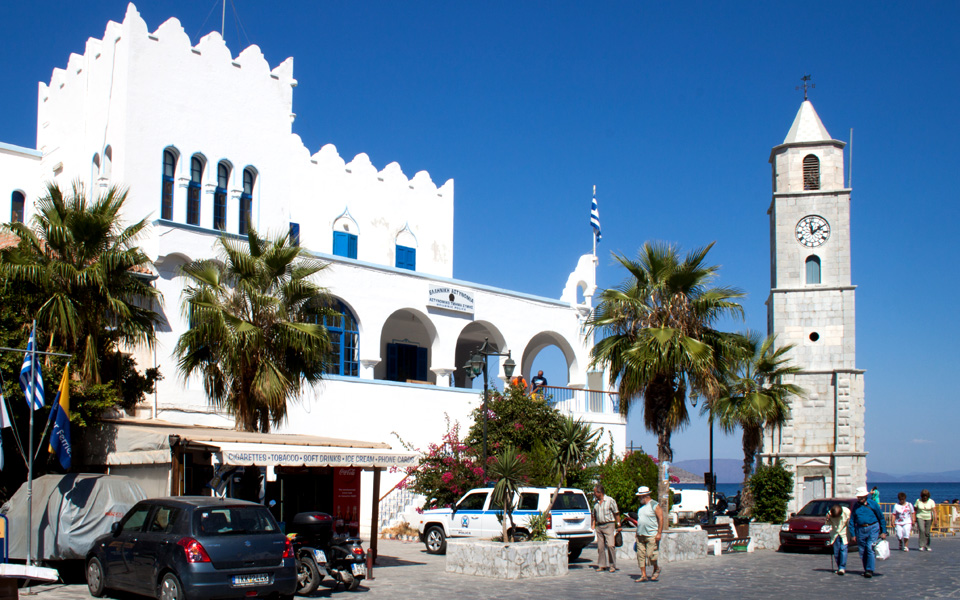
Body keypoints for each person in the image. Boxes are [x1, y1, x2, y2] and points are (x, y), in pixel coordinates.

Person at [848, 486, 887, 578]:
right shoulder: (856, 506)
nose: (860, 499)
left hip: (872, 527)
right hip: (860, 529)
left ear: (865, 496)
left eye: (861, 497)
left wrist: (883, 531)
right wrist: (852, 534)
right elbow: (852, 520)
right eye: (858, 497)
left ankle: (870, 569)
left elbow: (881, 517)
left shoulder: (873, 504)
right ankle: (866, 569)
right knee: (862, 550)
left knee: (870, 547)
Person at [634, 486, 664, 582]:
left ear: (645, 496)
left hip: (651, 534)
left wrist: (659, 533)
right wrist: (637, 532)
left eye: (640, 496)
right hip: (640, 534)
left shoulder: (654, 505)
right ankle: (643, 575)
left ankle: (656, 568)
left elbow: (661, 518)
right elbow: (640, 520)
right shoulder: (641, 507)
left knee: (651, 555)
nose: (639, 498)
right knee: (640, 556)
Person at [591, 484, 621, 572]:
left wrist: (618, 524)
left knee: (610, 545)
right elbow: (594, 514)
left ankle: (612, 565)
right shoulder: (596, 503)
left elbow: (616, 512)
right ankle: (602, 565)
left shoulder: (610, 500)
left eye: (595, 492)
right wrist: (593, 524)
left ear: (600, 492)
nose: (594, 494)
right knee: (600, 547)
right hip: (599, 525)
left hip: (609, 525)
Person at [824, 503, 850, 575]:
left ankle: (842, 568)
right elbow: (827, 524)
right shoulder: (830, 513)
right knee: (836, 552)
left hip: (844, 533)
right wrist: (827, 519)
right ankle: (839, 567)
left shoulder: (847, 512)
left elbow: (849, 524)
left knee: (843, 550)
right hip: (835, 534)